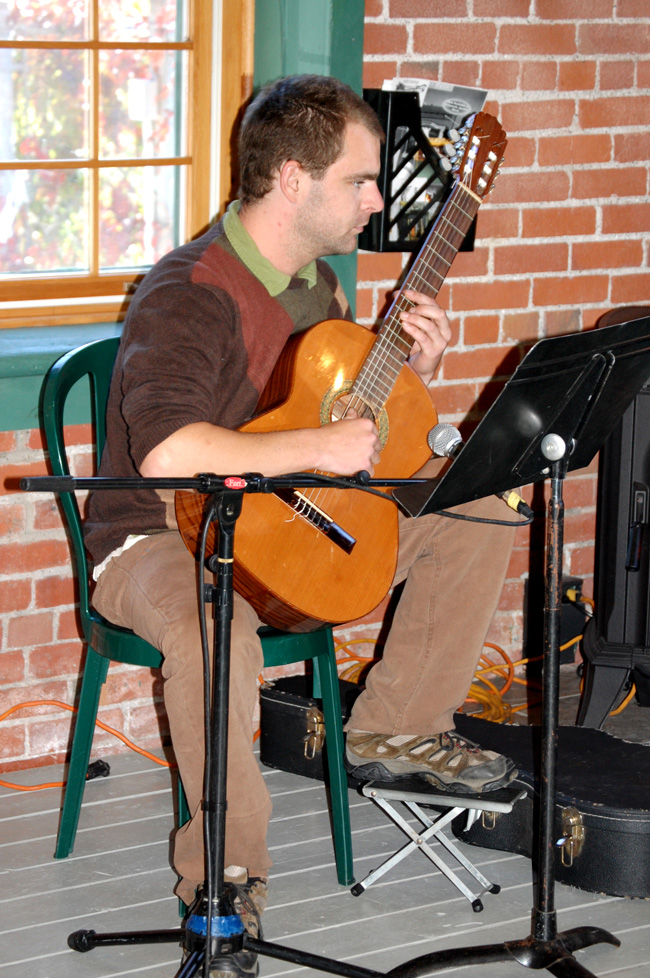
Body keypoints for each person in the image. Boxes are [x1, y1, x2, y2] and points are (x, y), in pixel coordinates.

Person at [84, 74, 518, 977]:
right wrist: (325, 441)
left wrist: (407, 364)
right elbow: (166, 452)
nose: (375, 201)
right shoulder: (190, 291)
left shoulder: (317, 284)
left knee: (476, 505)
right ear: (292, 180)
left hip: (291, 527)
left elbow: (344, 422)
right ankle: (228, 885)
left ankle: (394, 724)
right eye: (361, 182)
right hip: (159, 535)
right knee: (218, 633)